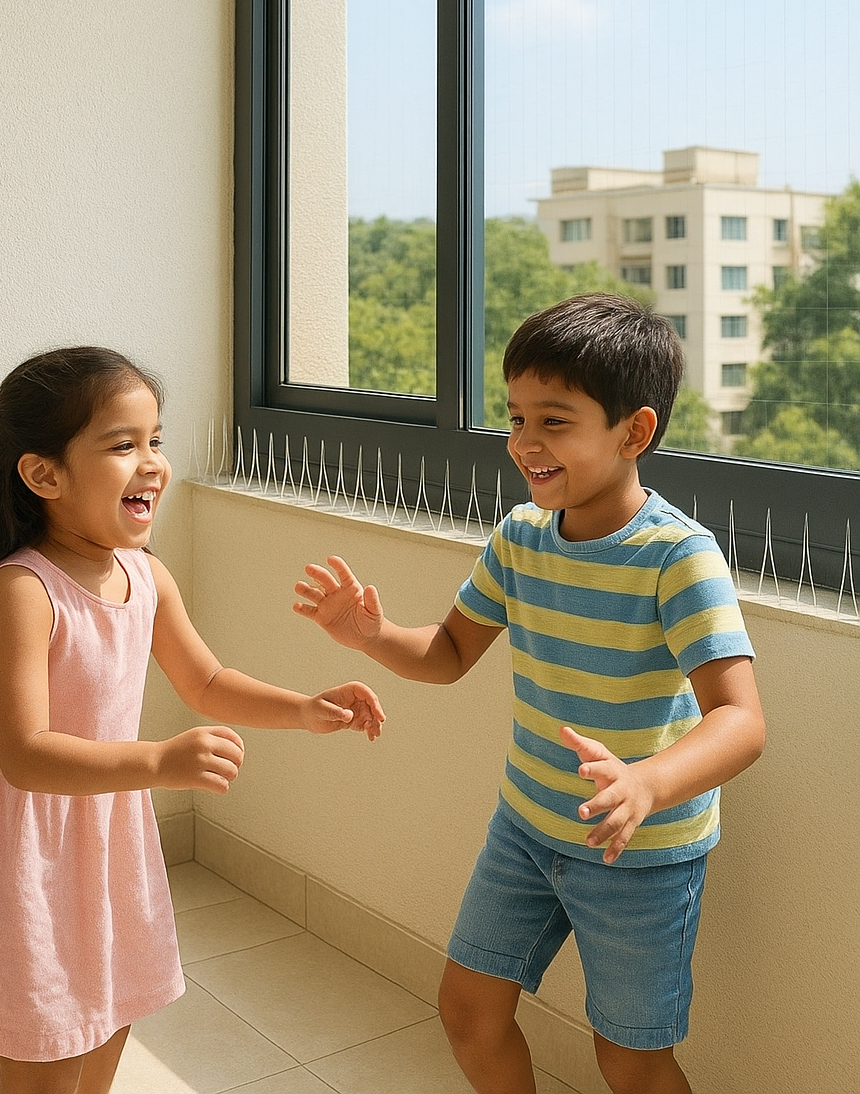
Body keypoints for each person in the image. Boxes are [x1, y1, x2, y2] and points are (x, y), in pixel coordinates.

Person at [0, 346, 384, 1094]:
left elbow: (206, 679)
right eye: (122, 445)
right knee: (45, 1068)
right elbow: (25, 755)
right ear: (44, 474)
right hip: (24, 845)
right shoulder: (23, 590)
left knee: (108, 1026)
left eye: (155, 440)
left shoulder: (144, 575)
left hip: (106, 838)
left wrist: (305, 710)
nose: (151, 462)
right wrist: (159, 762)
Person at [293, 294, 764, 1094]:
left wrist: (645, 782)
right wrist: (373, 636)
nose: (524, 444)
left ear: (633, 432)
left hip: (638, 855)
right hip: (525, 828)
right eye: (515, 419)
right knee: (468, 1010)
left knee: (630, 1059)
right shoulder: (519, 535)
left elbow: (741, 721)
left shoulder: (677, 556)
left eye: (554, 421)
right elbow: (446, 654)